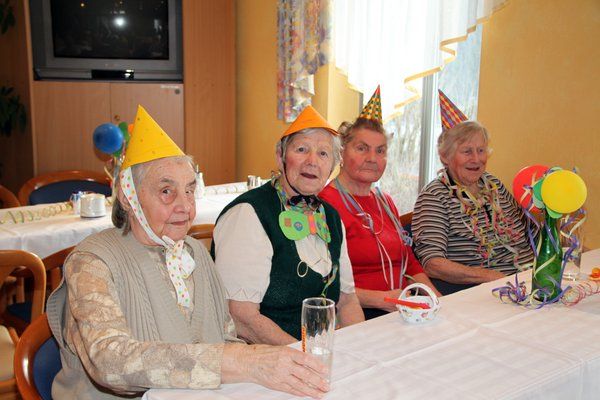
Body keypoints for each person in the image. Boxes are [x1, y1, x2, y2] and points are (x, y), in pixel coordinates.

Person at [46, 106, 330, 399]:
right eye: (167, 192)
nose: (185, 207)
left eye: (190, 190)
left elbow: (226, 337)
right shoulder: (92, 262)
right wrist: (246, 361)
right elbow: (110, 362)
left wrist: (253, 362)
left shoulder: (195, 251)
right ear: (129, 197)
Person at [212, 105, 364, 345]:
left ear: (334, 165)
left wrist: (362, 349)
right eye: (301, 149)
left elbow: (347, 301)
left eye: (323, 154)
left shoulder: (331, 218)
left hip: (317, 357)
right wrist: (304, 358)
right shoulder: (249, 214)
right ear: (281, 156)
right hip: (264, 363)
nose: (312, 161)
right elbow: (242, 317)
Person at [319, 87, 441, 320]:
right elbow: (323, 281)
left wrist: (437, 300)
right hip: (355, 315)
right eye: (362, 148)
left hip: (400, 310)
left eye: (380, 151)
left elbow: (410, 262)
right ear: (342, 153)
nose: (372, 159)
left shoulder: (385, 202)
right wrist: (386, 300)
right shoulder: (326, 204)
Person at [411, 91, 534, 295]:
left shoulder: (494, 184)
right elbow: (432, 263)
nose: (476, 159)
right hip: (482, 292)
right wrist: (490, 276)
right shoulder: (434, 196)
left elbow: (527, 232)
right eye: (467, 151)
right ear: (445, 156)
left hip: (525, 282)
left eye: (481, 150)